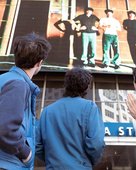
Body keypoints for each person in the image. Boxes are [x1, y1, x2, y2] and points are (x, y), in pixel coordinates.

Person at [36, 67, 105, 170]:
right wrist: (90, 161)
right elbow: (96, 144)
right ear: (86, 87)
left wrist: (53, 160)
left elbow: (37, 145)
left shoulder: (47, 111)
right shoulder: (90, 108)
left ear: (66, 85)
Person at [0, 33, 51, 169]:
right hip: (8, 164)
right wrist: (26, 153)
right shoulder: (17, 84)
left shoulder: (5, 79)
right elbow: (5, 129)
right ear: (39, 62)